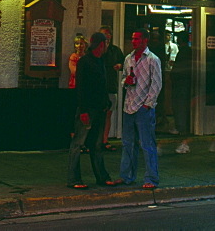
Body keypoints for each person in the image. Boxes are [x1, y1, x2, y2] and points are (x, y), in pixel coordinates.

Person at [66, 32, 118, 189]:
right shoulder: (85, 62)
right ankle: (73, 179)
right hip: (88, 109)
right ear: (101, 45)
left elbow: (101, 85)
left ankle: (102, 176)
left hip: (99, 108)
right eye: (105, 44)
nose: (106, 47)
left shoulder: (99, 61)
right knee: (78, 143)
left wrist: (106, 102)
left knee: (96, 145)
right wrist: (83, 110)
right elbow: (81, 87)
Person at [115, 28, 162, 189]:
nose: (133, 41)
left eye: (137, 39)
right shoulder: (128, 58)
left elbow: (156, 84)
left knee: (147, 144)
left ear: (145, 40)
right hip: (129, 104)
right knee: (128, 143)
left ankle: (151, 178)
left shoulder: (152, 59)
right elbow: (122, 79)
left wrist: (148, 104)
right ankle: (127, 175)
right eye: (133, 38)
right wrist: (125, 81)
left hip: (143, 107)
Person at [99, 26, 124, 151]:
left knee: (108, 114)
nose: (107, 36)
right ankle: (93, 141)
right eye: (104, 34)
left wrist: (120, 65)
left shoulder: (115, 50)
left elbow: (124, 63)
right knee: (96, 114)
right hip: (98, 88)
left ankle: (104, 140)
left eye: (109, 34)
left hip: (111, 86)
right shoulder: (96, 50)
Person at [171, 26, 194, 154]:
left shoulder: (183, 52)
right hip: (184, 83)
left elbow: (178, 68)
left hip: (181, 84)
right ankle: (181, 128)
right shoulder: (188, 51)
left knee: (180, 106)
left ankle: (182, 129)